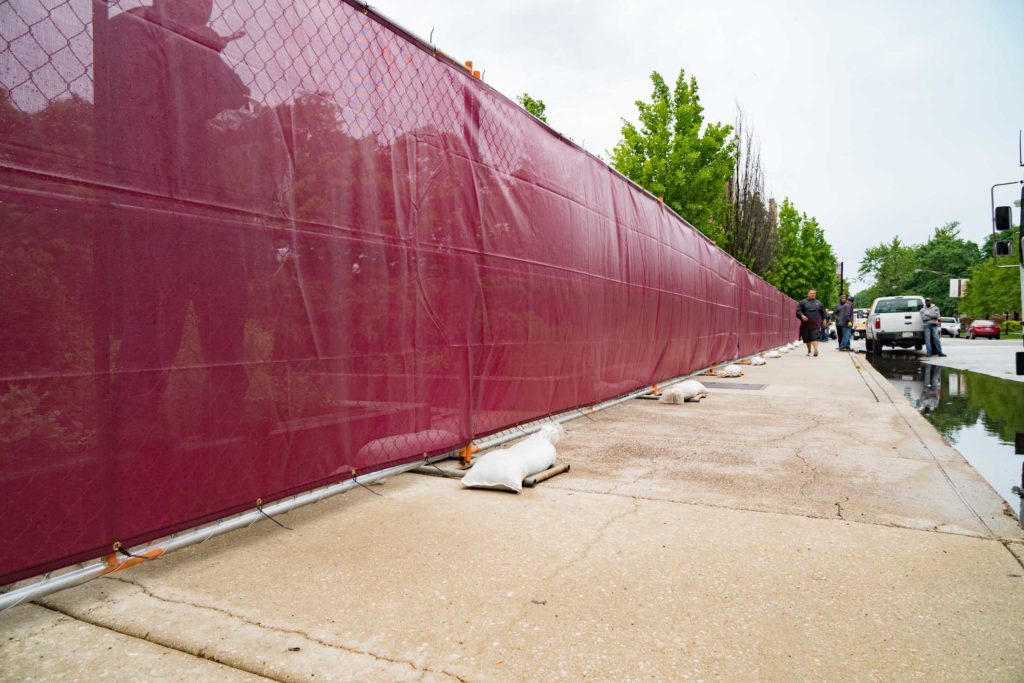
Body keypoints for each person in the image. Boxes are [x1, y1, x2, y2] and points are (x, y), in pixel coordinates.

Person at [796, 289, 826, 356]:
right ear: (808, 294)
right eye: (812, 293)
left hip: (816, 323)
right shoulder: (802, 302)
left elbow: (823, 312)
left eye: (814, 293)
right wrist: (802, 315)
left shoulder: (819, 303)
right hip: (805, 324)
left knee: (815, 336)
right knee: (807, 338)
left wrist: (824, 319)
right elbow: (798, 311)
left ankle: (815, 349)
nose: (813, 294)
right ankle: (809, 351)